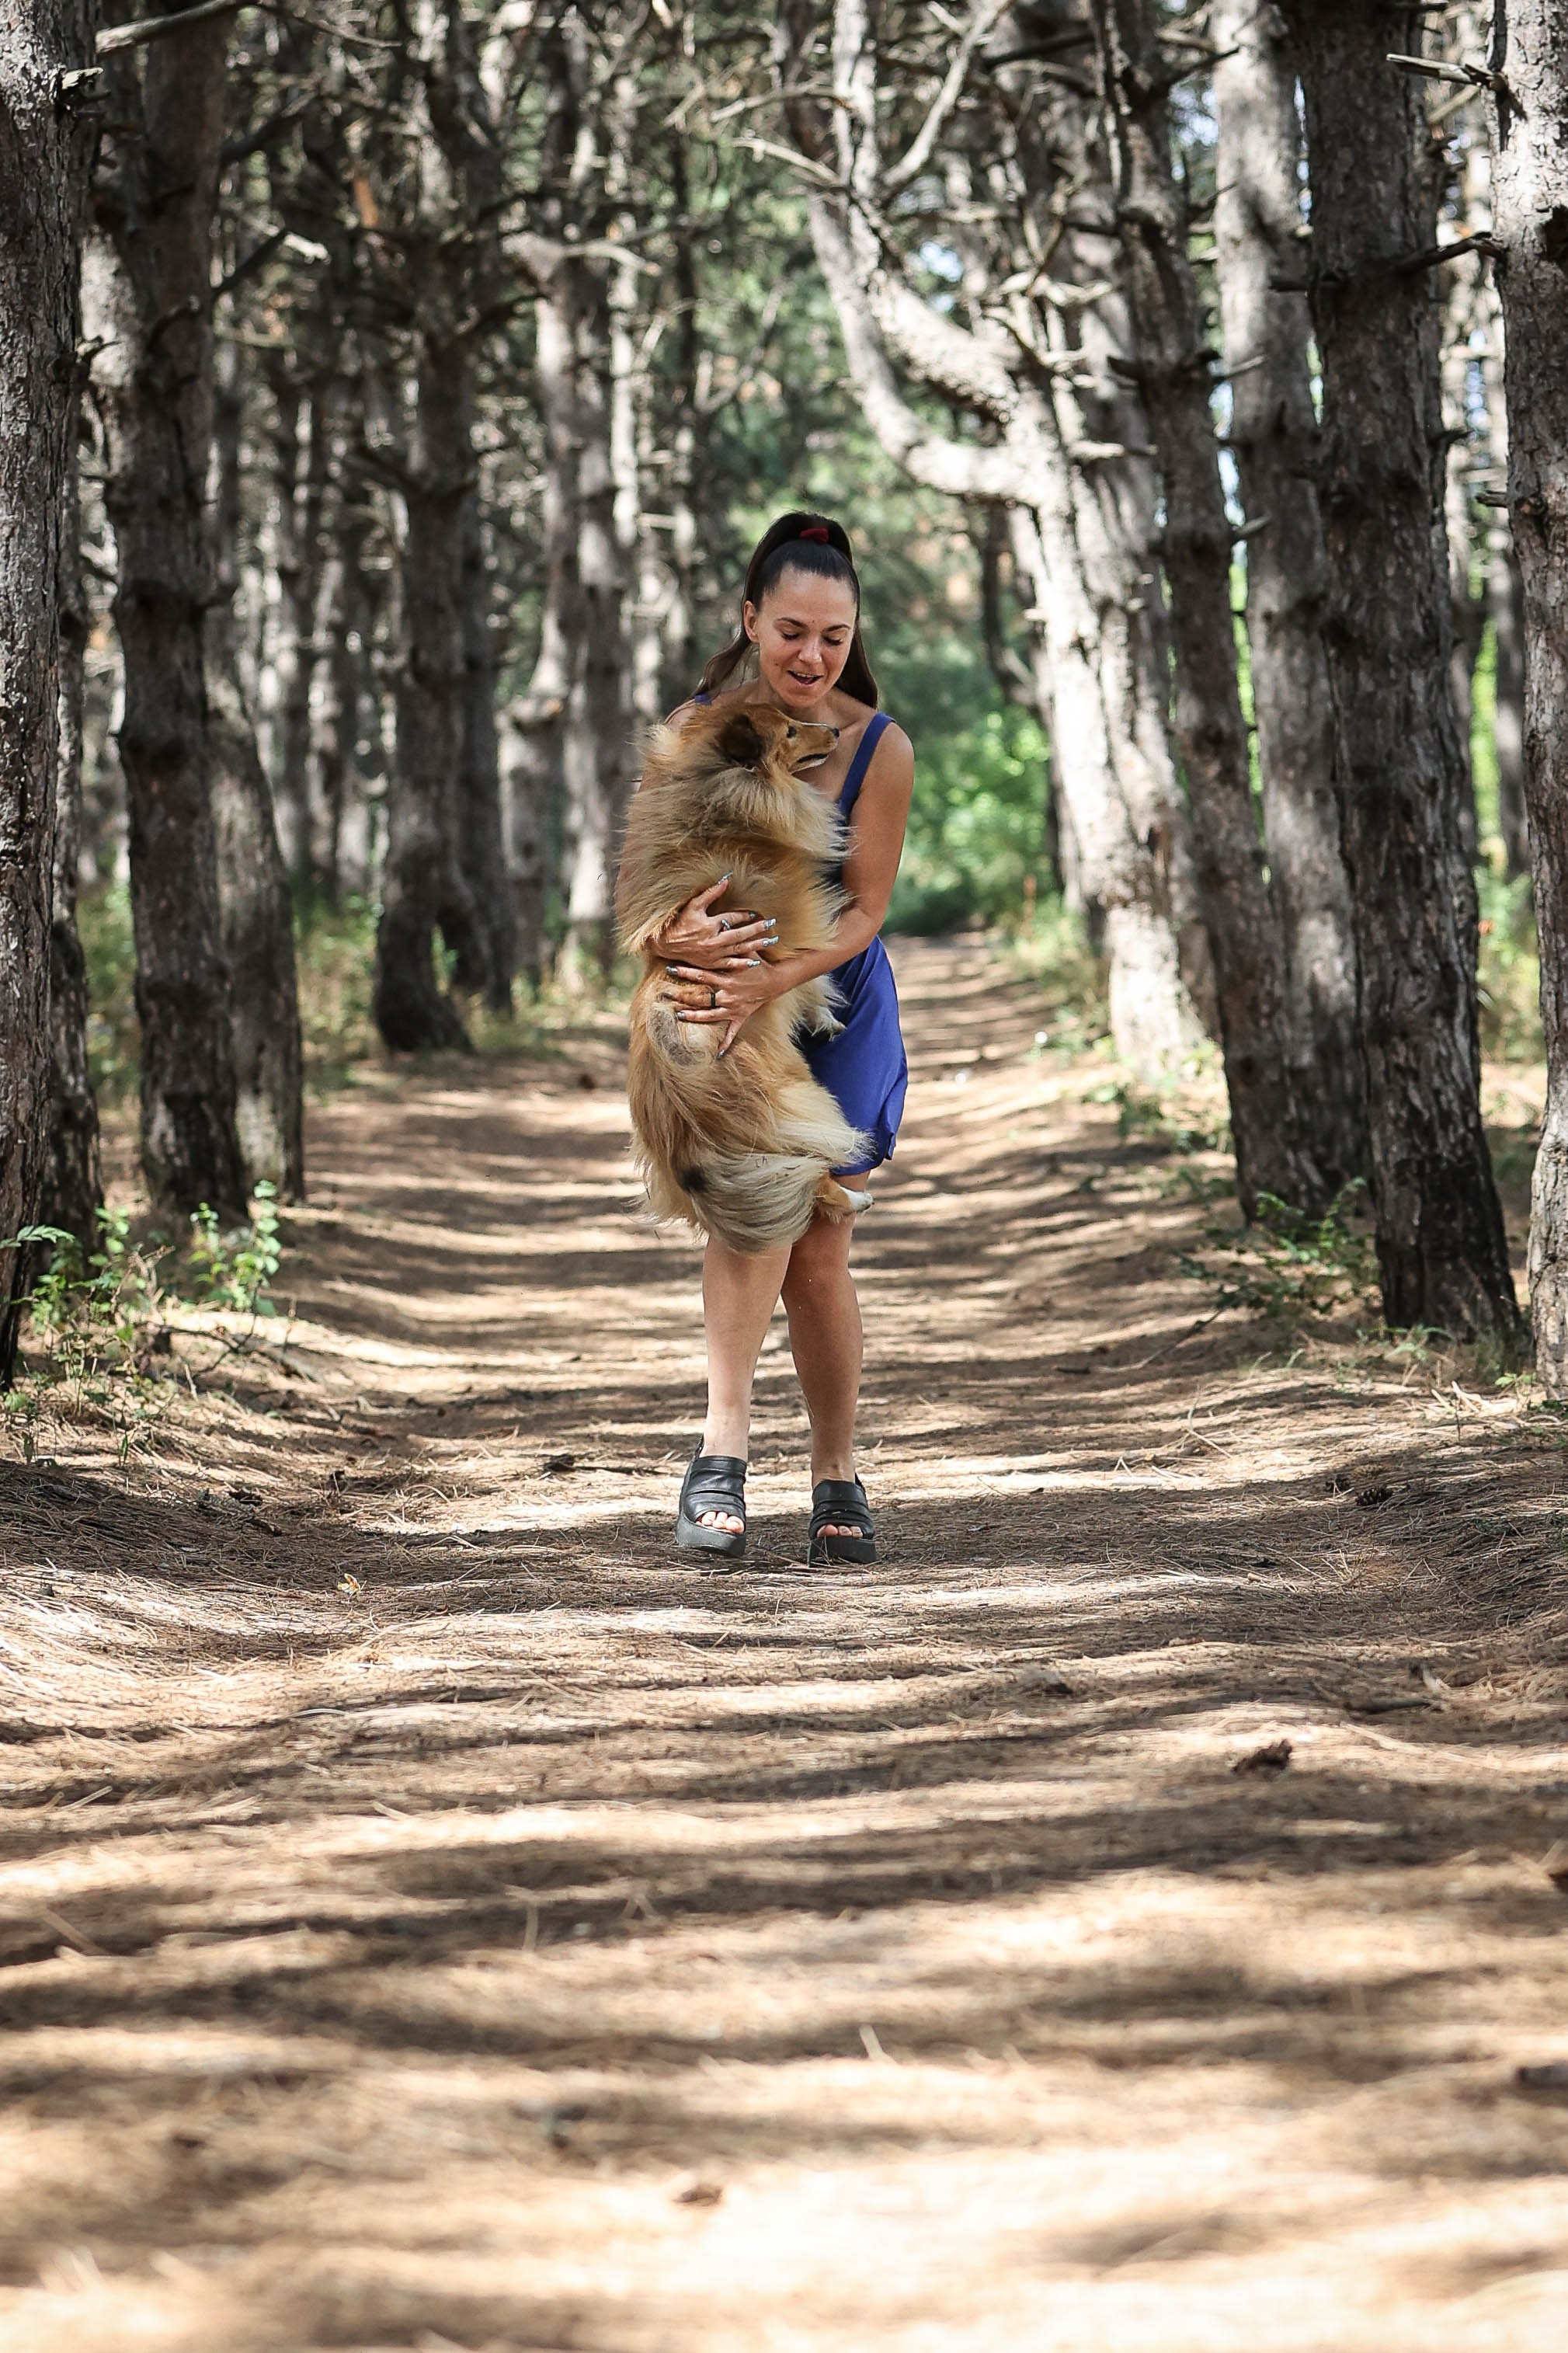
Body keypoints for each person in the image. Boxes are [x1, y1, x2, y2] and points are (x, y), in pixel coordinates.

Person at [646, 511, 913, 1566]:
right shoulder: (695, 726)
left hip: (833, 1005)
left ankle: (837, 1473)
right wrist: (671, 933)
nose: (811, 655)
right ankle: (721, 1457)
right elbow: (650, 877)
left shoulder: (878, 747)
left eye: (834, 637)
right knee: (750, 1221)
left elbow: (864, 909)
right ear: (751, 618)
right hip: (719, 1009)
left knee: (820, 1248)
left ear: (854, 637)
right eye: (792, 629)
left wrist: (773, 975)